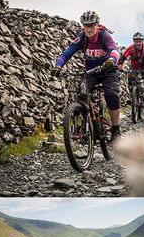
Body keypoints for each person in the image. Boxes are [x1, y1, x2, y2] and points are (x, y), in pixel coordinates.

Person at [51, 11, 121, 141]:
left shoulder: (104, 36)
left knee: (111, 94)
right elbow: (66, 54)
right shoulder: (82, 38)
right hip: (91, 72)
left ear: (97, 25)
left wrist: (111, 60)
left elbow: (115, 50)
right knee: (82, 95)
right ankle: (87, 125)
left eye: (91, 25)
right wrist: (58, 66)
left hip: (108, 71)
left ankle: (116, 129)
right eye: (85, 25)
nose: (88, 29)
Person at [119, 32, 144, 109]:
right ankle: (132, 98)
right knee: (130, 81)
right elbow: (122, 58)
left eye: (140, 41)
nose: (138, 43)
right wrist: (120, 65)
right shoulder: (130, 48)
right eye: (136, 41)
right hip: (134, 68)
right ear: (134, 42)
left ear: (142, 41)